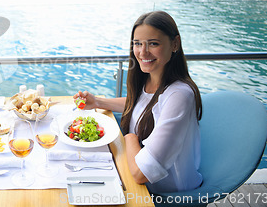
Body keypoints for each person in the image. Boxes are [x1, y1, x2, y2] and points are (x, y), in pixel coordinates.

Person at [74, 11, 202, 194]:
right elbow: (142, 105)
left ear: (175, 44)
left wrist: (130, 137)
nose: (143, 52)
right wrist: (98, 102)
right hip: (138, 177)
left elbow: (141, 173)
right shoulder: (150, 79)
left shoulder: (179, 95)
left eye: (153, 44)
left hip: (167, 192)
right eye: (137, 43)